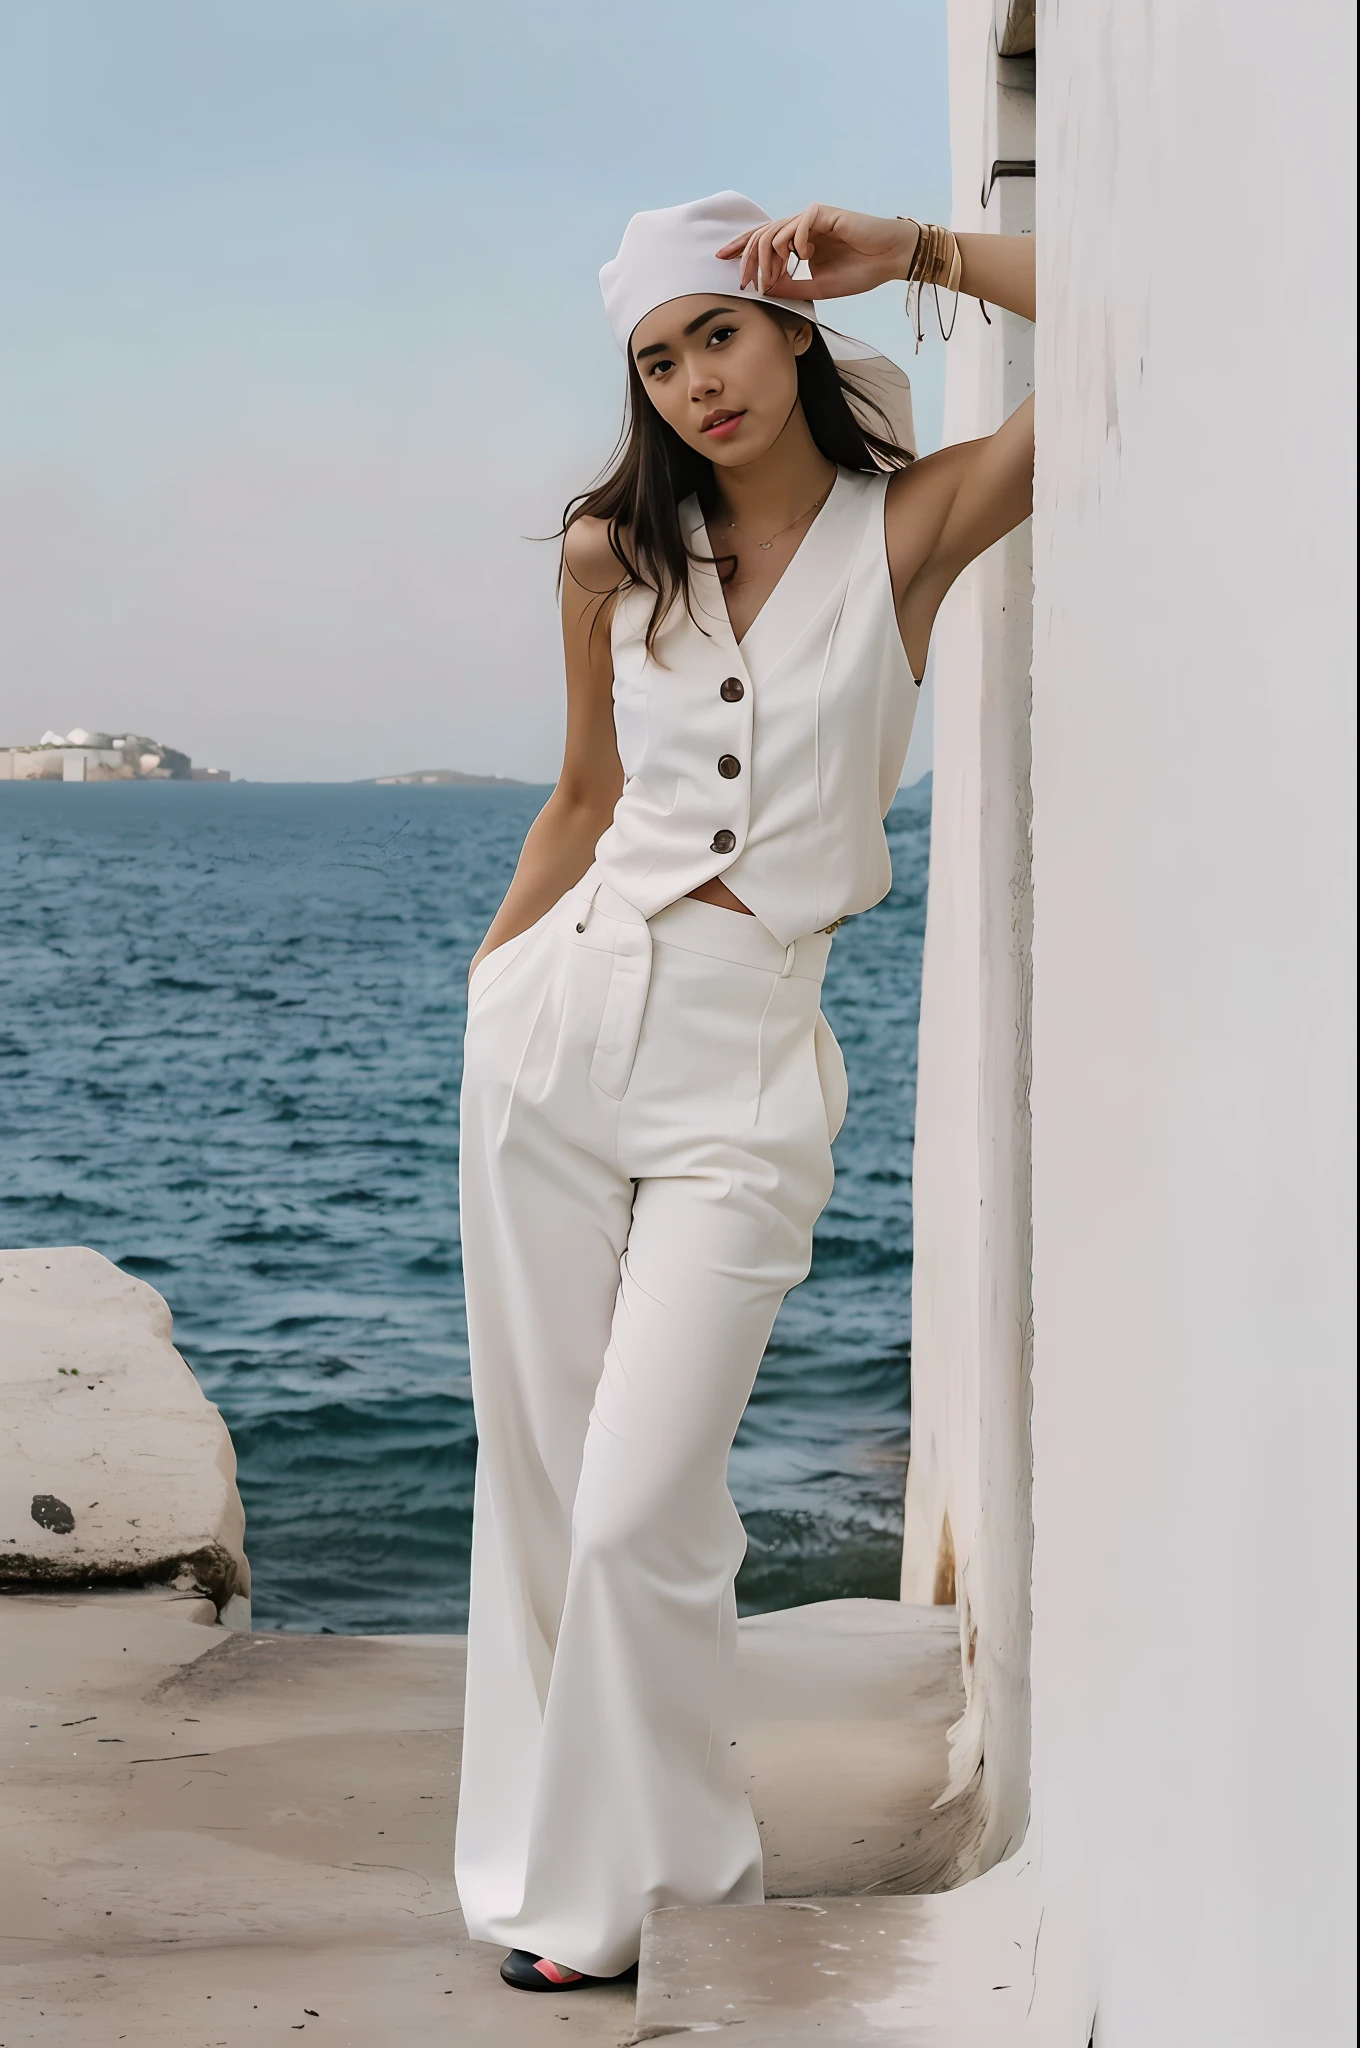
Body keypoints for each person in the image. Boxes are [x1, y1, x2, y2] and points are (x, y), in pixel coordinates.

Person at [453, 191, 1036, 1993]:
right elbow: (575, 796)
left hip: (750, 1059)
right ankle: (582, 1887)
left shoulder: (909, 532)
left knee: (641, 1506)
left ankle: (680, 1857)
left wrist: (925, 252)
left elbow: (1155, 342)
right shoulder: (605, 558)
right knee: (546, 1497)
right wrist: (490, 993)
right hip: (558, 1032)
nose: (695, 378)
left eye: (719, 330)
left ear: (789, 335)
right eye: (657, 356)